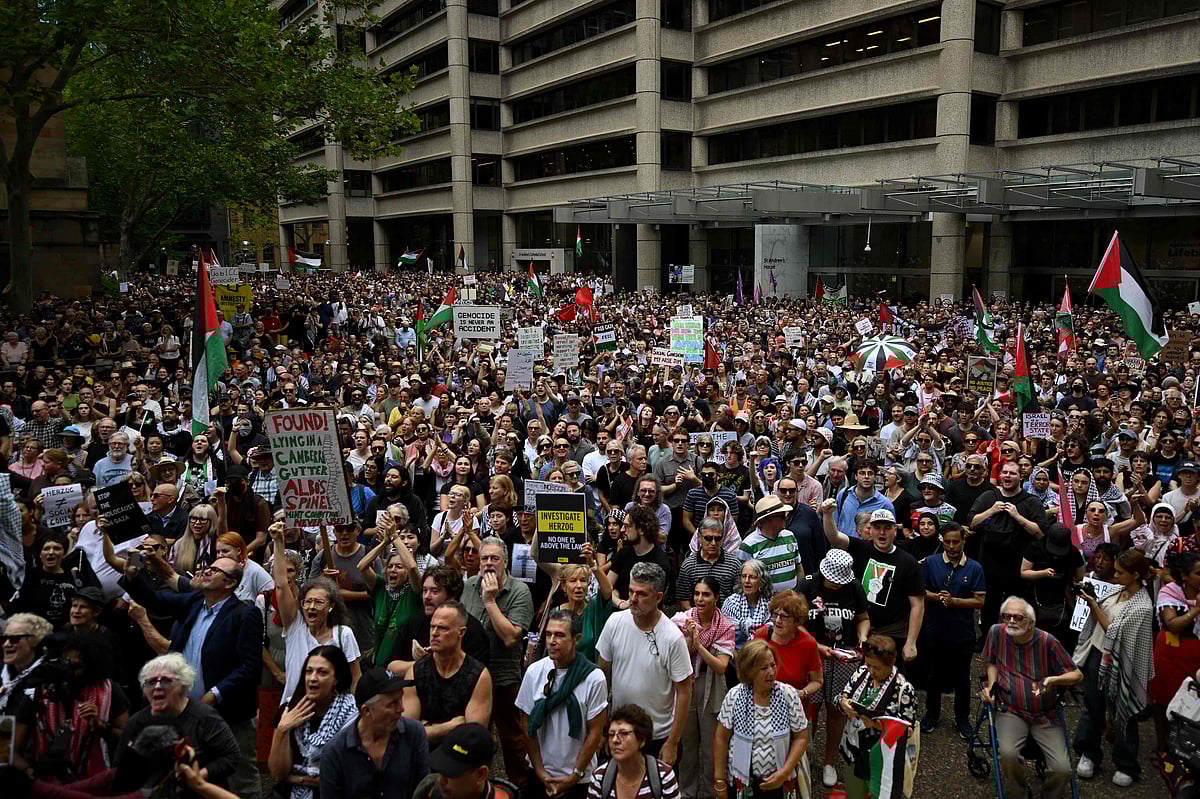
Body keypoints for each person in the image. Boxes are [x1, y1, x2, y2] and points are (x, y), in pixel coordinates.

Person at [120, 551, 264, 799]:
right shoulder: (195, 602)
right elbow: (154, 600)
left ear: (230, 583)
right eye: (209, 567)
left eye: (216, 570)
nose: (207, 570)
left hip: (229, 713)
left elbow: (249, 667)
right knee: (190, 772)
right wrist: (133, 577)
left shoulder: (245, 614)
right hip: (186, 709)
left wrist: (214, 695)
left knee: (239, 776)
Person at [981, 597, 1082, 799]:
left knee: (1062, 769)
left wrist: (1053, 680)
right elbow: (990, 661)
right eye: (1006, 616)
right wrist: (991, 686)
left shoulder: (1047, 641)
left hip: (1045, 713)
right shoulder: (996, 633)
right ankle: (1019, 794)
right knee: (1008, 755)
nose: (1011, 621)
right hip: (1010, 710)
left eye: (1018, 617)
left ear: (1031, 622)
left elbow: (1077, 674)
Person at [1072, 548, 1155, 787]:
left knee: (1123, 714)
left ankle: (1126, 764)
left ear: (1136, 575)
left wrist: (1093, 605)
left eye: (1120, 572)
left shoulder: (1143, 607)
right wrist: (1092, 600)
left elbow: (1113, 631)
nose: (1115, 576)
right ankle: (1089, 753)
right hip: (1097, 656)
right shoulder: (1117, 592)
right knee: (1092, 708)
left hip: (1122, 665)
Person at [597, 561, 693, 764]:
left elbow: (684, 691)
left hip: (657, 737)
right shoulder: (614, 623)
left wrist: (673, 742)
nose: (633, 599)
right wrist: (603, 728)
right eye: (631, 591)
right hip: (618, 733)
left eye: (642, 594)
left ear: (658, 597)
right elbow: (602, 677)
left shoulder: (672, 638)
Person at [461, 536, 534, 788]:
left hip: (503, 679)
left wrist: (490, 601)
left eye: (495, 559)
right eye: (484, 559)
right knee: (475, 738)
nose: (489, 564)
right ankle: (478, 788)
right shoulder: (469, 585)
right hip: (471, 677)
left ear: (505, 562)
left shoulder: (519, 591)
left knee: (513, 742)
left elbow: (511, 638)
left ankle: (521, 789)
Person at [516, 610, 609, 799]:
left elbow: (595, 732)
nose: (551, 641)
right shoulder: (534, 672)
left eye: (559, 635)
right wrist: (541, 772)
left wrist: (575, 775)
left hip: (578, 778)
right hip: (540, 773)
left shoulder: (594, 678)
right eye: (549, 634)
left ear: (577, 638)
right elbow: (526, 724)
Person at [115, 653, 242, 791]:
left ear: (183, 685)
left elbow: (231, 756)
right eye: (151, 682)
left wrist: (199, 776)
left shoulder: (204, 717)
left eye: (165, 681)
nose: (157, 686)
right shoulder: (136, 722)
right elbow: (118, 766)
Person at [268, 521, 363, 703]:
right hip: (295, 710)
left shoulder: (343, 635)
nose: (311, 607)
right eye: (307, 601)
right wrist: (278, 543)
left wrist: (350, 711)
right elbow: (281, 586)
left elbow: (355, 677)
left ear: (331, 606)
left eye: (318, 602)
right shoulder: (295, 627)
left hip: (332, 715)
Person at [820, 505, 923, 668]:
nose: (882, 532)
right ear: (870, 530)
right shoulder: (860, 547)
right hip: (858, 627)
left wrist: (911, 642)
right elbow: (834, 536)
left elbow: (917, 604)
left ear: (895, 531)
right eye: (877, 527)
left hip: (891, 633)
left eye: (887, 528)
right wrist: (827, 514)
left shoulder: (908, 562)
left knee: (888, 680)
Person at [713, 640, 810, 799]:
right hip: (743, 783)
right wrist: (719, 780)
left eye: (773, 665)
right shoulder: (735, 696)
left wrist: (784, 772)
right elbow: (721, 737)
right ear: (749, 671)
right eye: (764, 668)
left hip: (780, 782)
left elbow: (801, 737)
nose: (771, 672)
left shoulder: (788, 695)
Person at [917, 522, 985, 739]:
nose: (952, 546)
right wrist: (936, 597)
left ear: (964, 541)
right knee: (933, 675)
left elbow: (980, 601)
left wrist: (955, 601)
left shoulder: (975, 568)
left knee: (962, 678)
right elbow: (920, 591)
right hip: (936, 629)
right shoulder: (931, 562)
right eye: (947, 542)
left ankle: (962, 718)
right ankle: (931, 714)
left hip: (963, 633)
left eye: (956, 542)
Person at [319, 668, 430, 799]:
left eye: (400, 699)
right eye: (392, 704)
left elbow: (423, 790)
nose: (401, 709)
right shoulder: (335, 752)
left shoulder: (414, 733)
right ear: (366, 711)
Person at [669, 576, 734, 799]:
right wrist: (688, 641)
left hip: (710, 686)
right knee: (686, 745)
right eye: (697, 594)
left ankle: (708, 793)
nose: (700, 599)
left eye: (706, 594)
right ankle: (686, 792)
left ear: (716, 597)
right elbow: (674, 657)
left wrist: (698, 645)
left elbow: (721, 666)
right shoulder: (681, 620)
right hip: (685, 685)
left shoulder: (725, 626)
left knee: (710, 746)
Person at [268, 645, 359, 799]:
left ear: (336, 678)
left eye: (322, 672)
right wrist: (283, 729)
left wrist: (298, 778)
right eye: (309, 671)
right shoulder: (289, 710)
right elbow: (278, 774)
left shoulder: (352, 714)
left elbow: (353, 772)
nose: (313, 678)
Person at [970, 461, 1052, 632]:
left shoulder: (1031, 502)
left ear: (1021, 477)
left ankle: (1017, 638)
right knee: (989, 608)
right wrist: (990, 511)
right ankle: (988, 639)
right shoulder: (988, 497)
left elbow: (1040, 533)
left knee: (1018, 608)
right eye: (1005, 472)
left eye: (1012, 473)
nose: (1007, 476)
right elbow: (972, 523)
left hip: (1018, 566)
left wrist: (1018, 516)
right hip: (990, 564)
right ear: (999, 476)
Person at [836, 635, 918, 799]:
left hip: (882, 759)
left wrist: (876, 725)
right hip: (854, 751)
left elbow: (907, 730)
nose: (871, 671)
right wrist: (843, 703)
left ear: (892, 662)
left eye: (877, 668)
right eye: (868, 665)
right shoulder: (861, 673)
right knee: (854, 794)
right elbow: (841, 696)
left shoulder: (904, 690)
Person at [402, 600, 493, 747]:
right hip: (422, 757)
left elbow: (473, 739)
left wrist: (426, 727)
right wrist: (449, 727)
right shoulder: (416, 672)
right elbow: (407, 734)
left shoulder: (478, 675)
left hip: (460, 760)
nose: (434, 633)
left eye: (443, 628)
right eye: (432, 627)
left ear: (461, 632)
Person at [390, 564, 491, 674]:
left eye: (435, 591)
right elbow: (391, 667)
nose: (427, 597)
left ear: (452, 596)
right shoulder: (414, 623)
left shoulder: (472, 630)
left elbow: (477, 676)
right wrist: (423, 664)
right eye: (424, 590)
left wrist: (433, 662)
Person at [752, 591, 822, 723]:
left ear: (797, 621)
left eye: (784, 617)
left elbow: (817, 681)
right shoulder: (762, 636)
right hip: (763, 710)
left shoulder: (808, 644)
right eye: (775, 614)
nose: (778, 621)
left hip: (795, 712)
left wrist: (802, 693)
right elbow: (749, 671)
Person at [585, 705, 680, 799]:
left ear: (642, 740)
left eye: (624, 733)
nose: (615, 740)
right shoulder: (600, 778)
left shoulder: (663, 777)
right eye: (611, 734)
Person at [412, 722, 521, 799]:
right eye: (441, 770)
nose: (441, 780)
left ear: (480, 774)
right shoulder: (429, 788)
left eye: (451, 773)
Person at [738, 496, 802, 593]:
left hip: (791, 600)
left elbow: (798, 567)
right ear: (769, 519)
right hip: (764, 604)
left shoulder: (790, 536)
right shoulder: (748, 545)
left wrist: (801, 593)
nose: (786, 517)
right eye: (782, 515)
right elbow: (742, 579)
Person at [676, 518, 741, 608]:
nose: (713, 543)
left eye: (718, 538)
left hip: (727, 617)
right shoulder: (689, 565)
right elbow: (684, 601)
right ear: (699, 537)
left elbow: (739, 598)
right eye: (708, 538)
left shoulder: (733, 564)